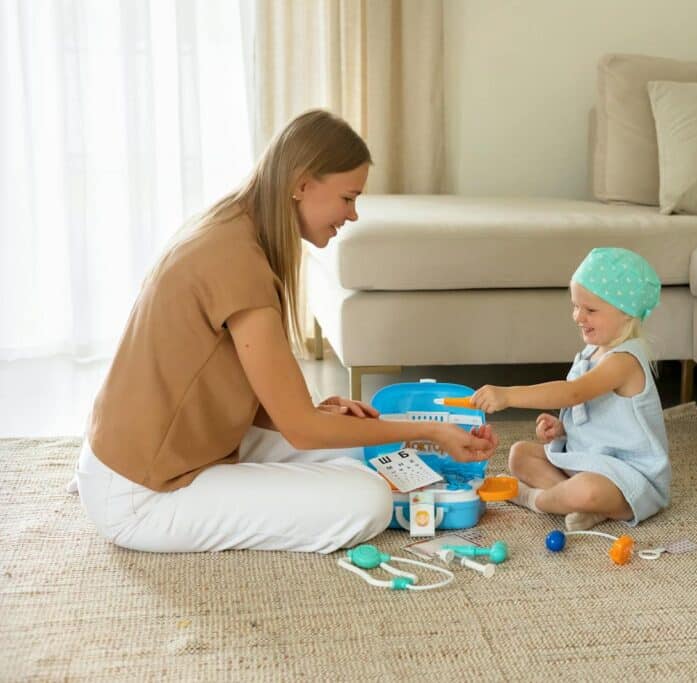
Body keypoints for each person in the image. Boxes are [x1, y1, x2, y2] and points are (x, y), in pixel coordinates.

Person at [71, 109, 497, 553]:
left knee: (365, 452)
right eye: (348, 198)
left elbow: (239, 389)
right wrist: (427, 432)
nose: (353, 215)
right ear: (301, 184)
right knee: (367, 498)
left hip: (169, 448)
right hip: (142, 494)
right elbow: (302, 431)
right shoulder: (237, 260)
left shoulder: (233, 228)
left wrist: (318, 414)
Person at [471, 247, 670, 531]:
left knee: (587, 489)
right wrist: (564, 429)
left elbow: (574, 392)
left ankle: (535, 499)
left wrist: (509, 395)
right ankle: (583, 506)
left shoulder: (624, 361)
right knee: (519, 455)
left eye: (590, 310)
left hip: (627, 475)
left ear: (626, 314)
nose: (578, 316)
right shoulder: (591, 353)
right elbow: (593, 411)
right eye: (576, 306)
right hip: (589, 458)